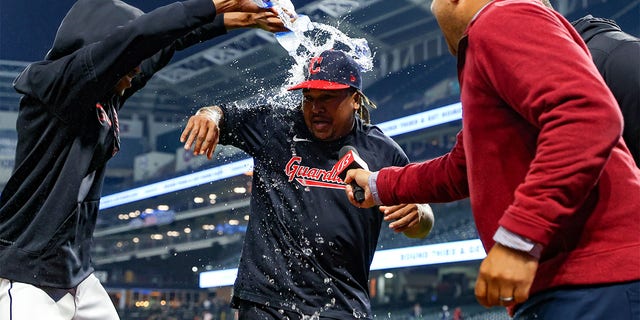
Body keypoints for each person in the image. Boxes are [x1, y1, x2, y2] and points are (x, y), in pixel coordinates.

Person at [343, 0, 640, 319]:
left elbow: (585, 115)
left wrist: (519, 240)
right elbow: (462, 168)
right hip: (576, 282)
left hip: (593, 280)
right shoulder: (493, 40)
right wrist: (377, 184)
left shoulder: (501, 17)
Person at [0, 0, 287, 319]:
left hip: (75, 274)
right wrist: (219, 3)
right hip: (26, 275)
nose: (138, 68)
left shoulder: (104, 95)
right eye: (131, 60)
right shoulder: (58, 84)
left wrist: (235, 21)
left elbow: (164, 43)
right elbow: (139, 36)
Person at [181, 49, 435, 319]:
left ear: (355, 100)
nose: (315, 109)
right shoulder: (277, 127)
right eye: (308, 98)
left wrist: (419, 214)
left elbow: (423, 222)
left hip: (340, 305)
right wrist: (207, 116)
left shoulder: (383, 151)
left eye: (327, 97)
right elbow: (220, 114)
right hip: (266, 301)